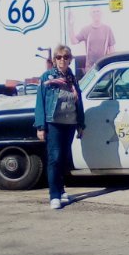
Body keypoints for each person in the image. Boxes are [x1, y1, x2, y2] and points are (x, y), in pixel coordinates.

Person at [34, 45, 85, 210]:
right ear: (54, 60)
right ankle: (54, 195)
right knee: (54, 158)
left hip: (70, 123)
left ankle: (62, 191)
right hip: (54, 122)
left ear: (70, 59)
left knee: (63, 159)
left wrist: (81, 123)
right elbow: (40, 102)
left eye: (65, 57)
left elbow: (79, 102)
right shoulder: (47, 77)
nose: (62, 60)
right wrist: (41, 126)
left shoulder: (72, 78)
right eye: (59, 57)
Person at [69, 7, 116, 71]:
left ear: (101, 13)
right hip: (90, 68)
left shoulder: (107, 29)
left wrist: (113, 67)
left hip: (104, 67)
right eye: (94, 12)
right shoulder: (85, 29)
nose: (96, 13)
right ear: (90, 14)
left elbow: (112, 49)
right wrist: (71, 25)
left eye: (98, 11)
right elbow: (73, 41)